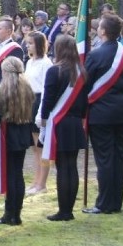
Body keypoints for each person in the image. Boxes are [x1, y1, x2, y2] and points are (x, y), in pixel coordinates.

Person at [82, 13, 123, 215]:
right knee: (119, 156)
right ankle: (116, 202)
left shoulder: (95, 54)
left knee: (105, 158)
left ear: (102, 31)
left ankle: (104, 203)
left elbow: (85, 84)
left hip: (102, 113)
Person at [41, 34, 88, 221]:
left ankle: (64, 211)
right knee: (72, 166)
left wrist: (43, 121)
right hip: (75, 122)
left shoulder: (55, 71)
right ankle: (69, 209)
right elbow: (85, 102)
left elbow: (48, 100)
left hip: (59, 123)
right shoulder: (81, 72)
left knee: (62, 167)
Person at [0, 57, 34, 226]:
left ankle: (9, 213)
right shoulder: (27, 87)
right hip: (23, 132)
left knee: (10, 174)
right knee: (18, 173)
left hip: (8, 134)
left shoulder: (3, 90)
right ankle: (16, 213)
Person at [23, 31, 53, 195]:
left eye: (31, 43)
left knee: (41, 145)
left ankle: (42, 183)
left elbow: (45, 89)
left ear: (40, 45)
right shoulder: (30, 62)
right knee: (34, 147)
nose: (28, 46)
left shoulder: (46, 63)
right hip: (29, 101)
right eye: (27, 43)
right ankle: (36, 180)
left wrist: (41, 113)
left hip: (39, 102)